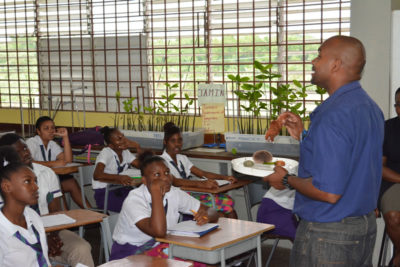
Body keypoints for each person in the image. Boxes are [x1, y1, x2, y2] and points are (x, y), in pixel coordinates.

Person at [264, 35, 384, 266]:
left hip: (329, 234)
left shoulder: (332, 114)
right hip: (363, 227)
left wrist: (287, 179)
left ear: (336, 64)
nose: (313, 62)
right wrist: (303, 136)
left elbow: (328, 192)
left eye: (319, 55)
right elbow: (351, 158)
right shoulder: (370, 108)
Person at [0, 133, 95, 267]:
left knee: (81, 248)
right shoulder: (6, 183)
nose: (25, 153)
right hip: (21, 234)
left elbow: (55, 211)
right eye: (18, 152)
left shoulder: (46, 172)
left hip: (49, 229)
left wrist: (50, 236)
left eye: (25, 148)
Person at [110, 151, 218, 262]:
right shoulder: (134, 200)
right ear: (144, 181)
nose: (165, 178)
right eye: (157, 175)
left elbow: (212, 211)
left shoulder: (173, 193)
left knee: (202, 259)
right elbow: (159, 232)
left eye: (167, 173)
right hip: (130, 255)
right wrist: (156, 192)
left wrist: (206, 216)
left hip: (160, 248)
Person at [160, 122, 238, 218]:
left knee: (228, 203)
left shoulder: (182, 158)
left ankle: (237, 233)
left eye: (179, 140)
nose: (177, 144)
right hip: (178, 198)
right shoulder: (161, 162)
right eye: (173, 141)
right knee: (220, 214)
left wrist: (225, 177)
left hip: (192, 194)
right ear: (165, 142)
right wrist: (201, 184)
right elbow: (176, 181)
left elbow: (202, 173)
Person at [0, 146, 51, 267]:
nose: (36, 187)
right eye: (27, 181)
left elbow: (43, 260)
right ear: (6, 187)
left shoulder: (32, 217)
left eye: (35, 181)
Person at [26, 116, 90, 209]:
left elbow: (67, 160)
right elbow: (29, 162)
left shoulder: (52, 144)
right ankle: (64, 215)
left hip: (50, 178)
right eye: (46, 128)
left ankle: (90, 212)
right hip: (37, 182)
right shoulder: (32, 142)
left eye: (52, 127)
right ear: (38, 131)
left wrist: (65, 137)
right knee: (58, 185)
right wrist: (53, 163)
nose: (51, 130)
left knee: (71, 182)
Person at [92, 126, 141, 212]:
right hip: (104, 193)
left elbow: (143, 166)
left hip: (119, 189)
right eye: (119, 139)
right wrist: (120, 177)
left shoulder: (125, 152)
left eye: (123, 136)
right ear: (111, 145)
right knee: (132, 209)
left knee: (141, 203)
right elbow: (97, 175)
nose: (124, 140)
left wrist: (137, 147)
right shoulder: (106, 152)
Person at [379, 87, 400, 266]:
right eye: (399, 105)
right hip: (393, 182)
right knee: (394, 216)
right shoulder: (387, 128)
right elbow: (378, 167)